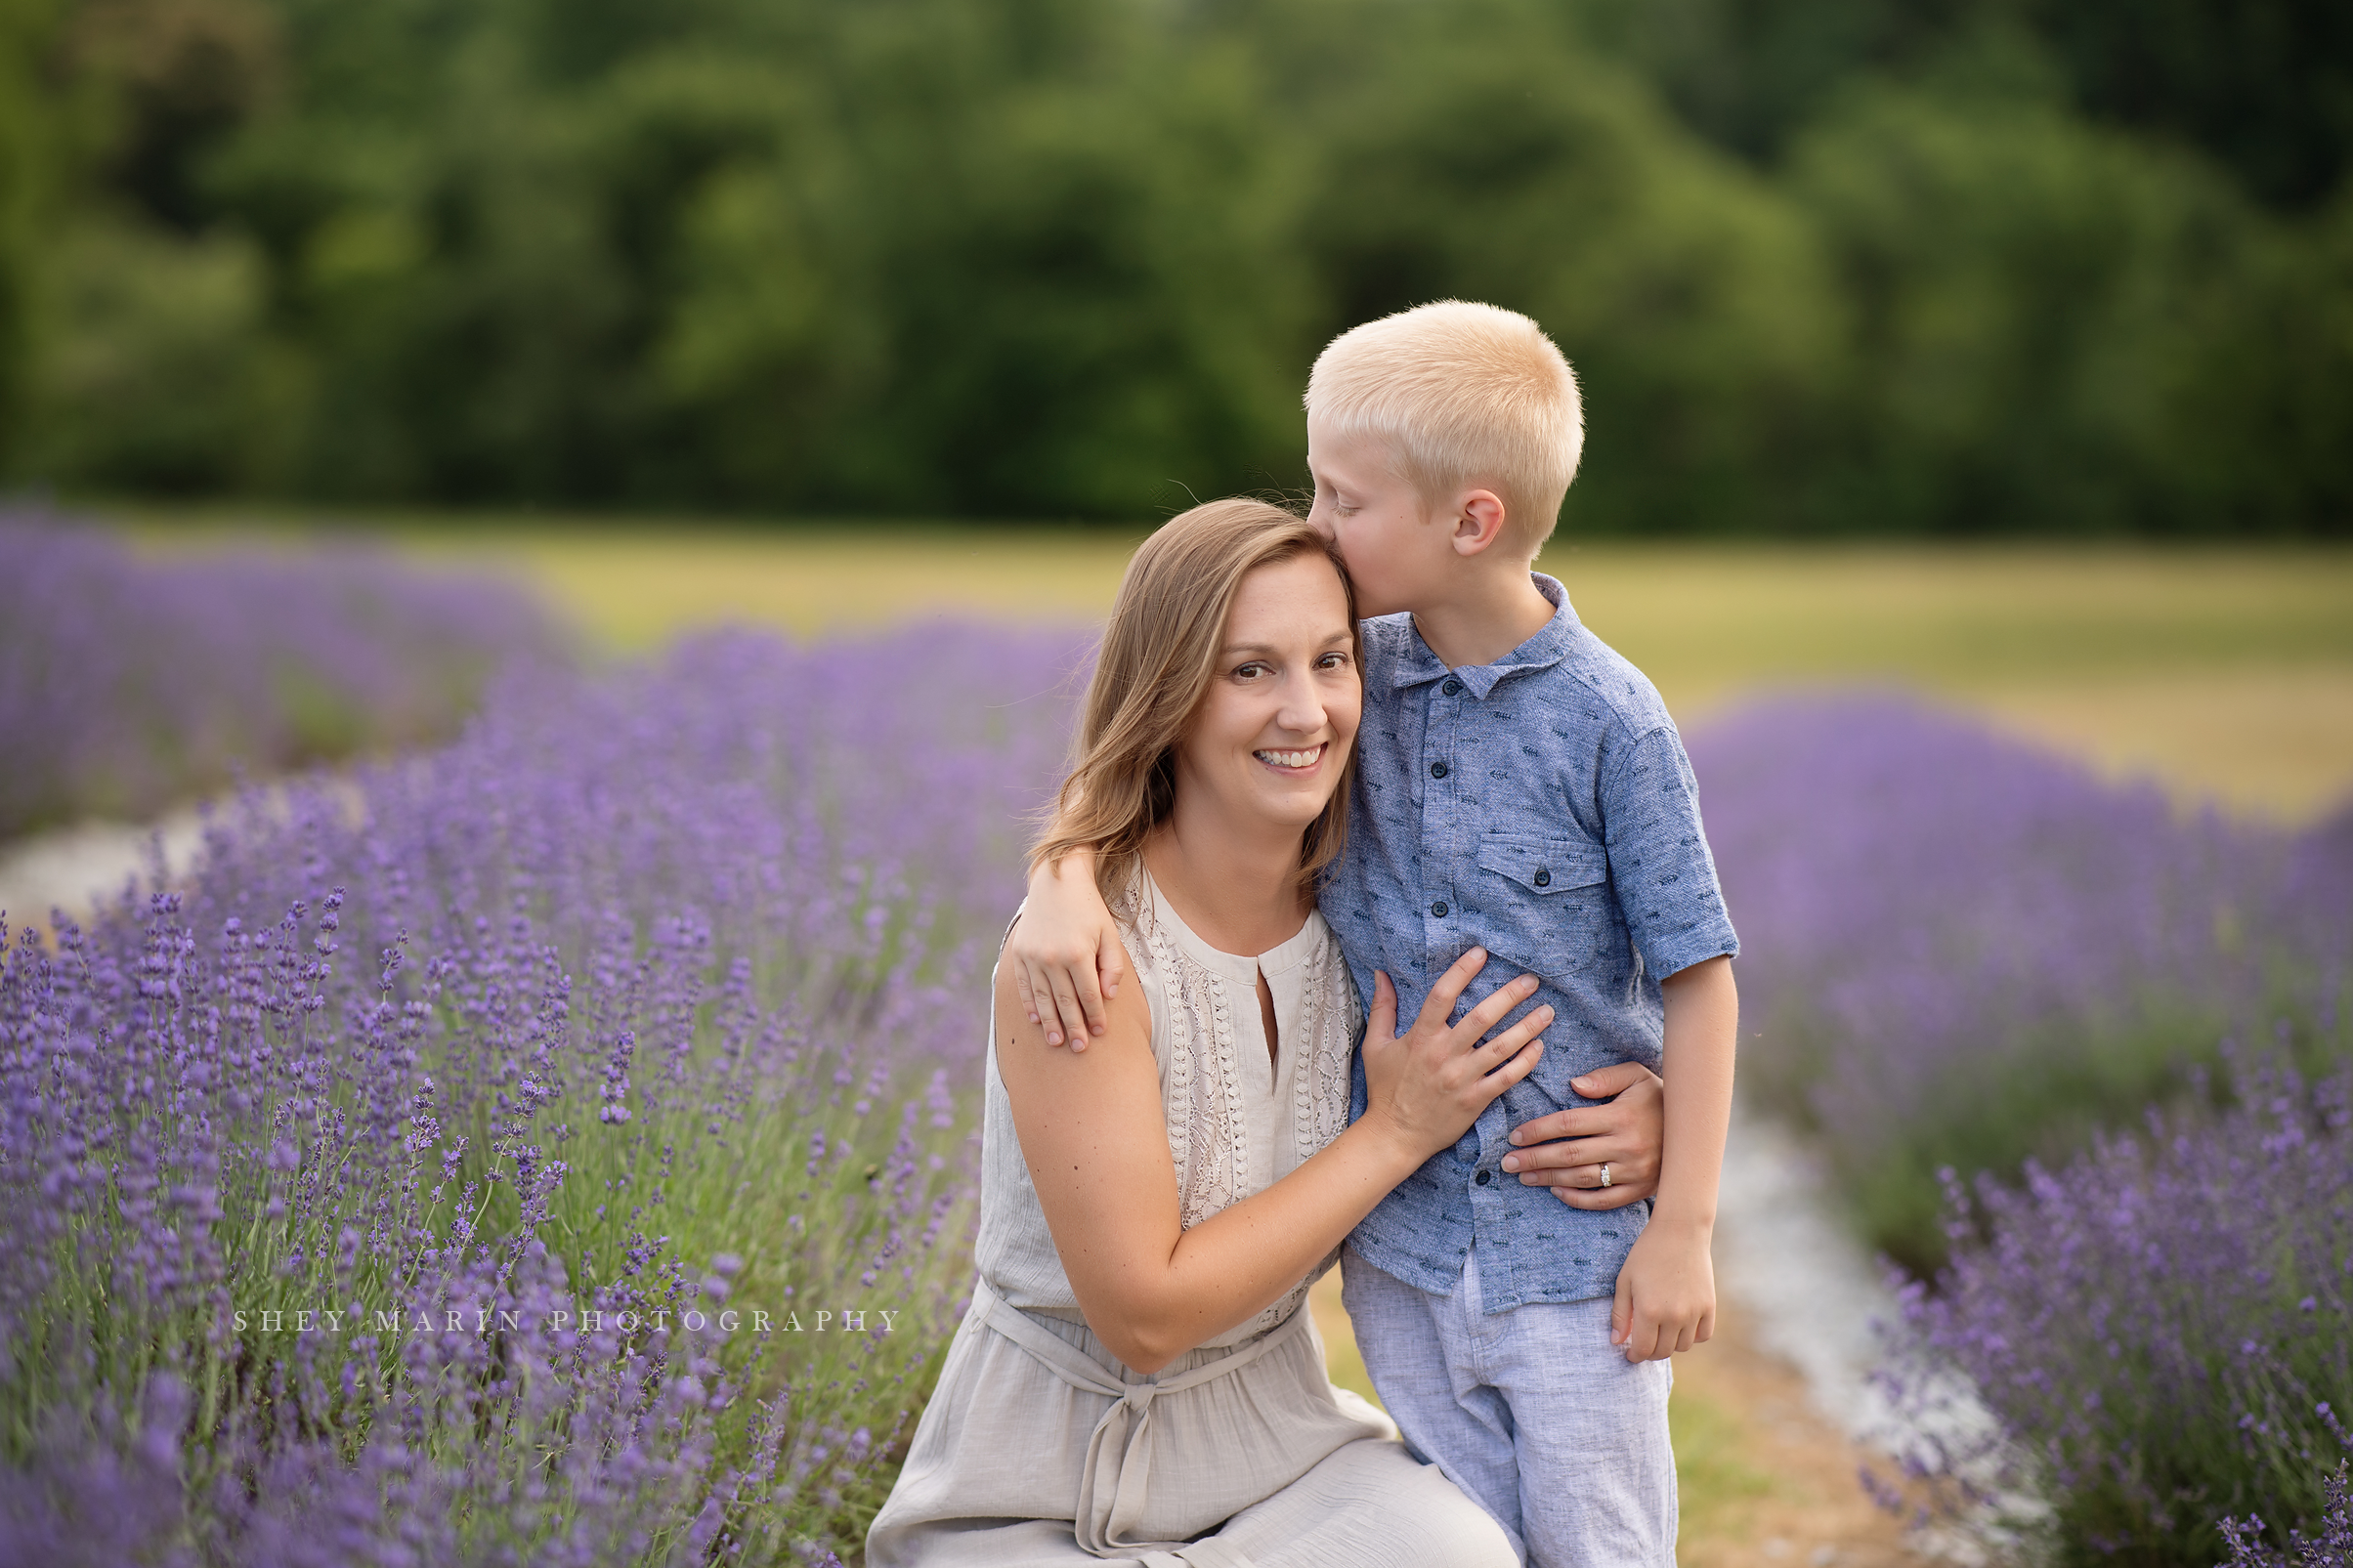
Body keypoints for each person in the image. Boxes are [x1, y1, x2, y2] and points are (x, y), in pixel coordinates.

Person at [1008, 302, 1739, 1565]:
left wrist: (1681, 1210)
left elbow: (1700, 969)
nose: (1318, 522)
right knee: (1470, 1538)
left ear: (1471, 521)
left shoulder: (1608, 719)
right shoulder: (1358, 675)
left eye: (1342, 498)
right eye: (1319, 487)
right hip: (1402, 1254)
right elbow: (1140, 765)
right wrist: (1060, 873)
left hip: (1569, 1244)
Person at [867, 497, 1667, 1567]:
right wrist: (1393, 1131)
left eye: (1329, 662)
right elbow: (1143, 1318)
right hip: (1031, 1499)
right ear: (1170, 697)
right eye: (1249, 671)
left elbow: (1558, 1008)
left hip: (1278, 1460)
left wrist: (1642, 1110)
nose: (1306, 711)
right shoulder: (1079, 958)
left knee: (1462, 1557)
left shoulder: (1367, 911)